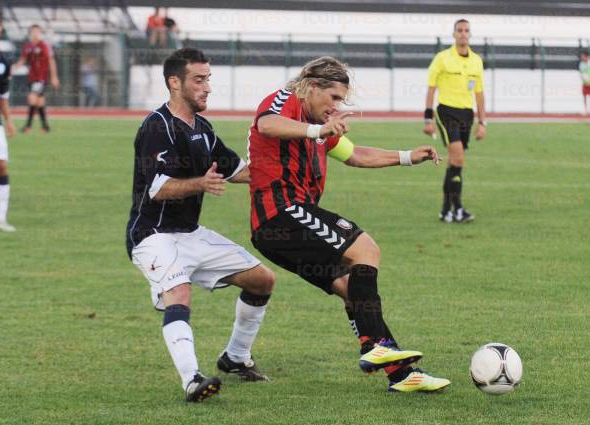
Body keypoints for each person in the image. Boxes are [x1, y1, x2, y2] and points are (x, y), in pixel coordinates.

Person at [248, 56, 450, 393]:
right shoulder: (284, 102)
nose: (337, 107)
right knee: (365, 248)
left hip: (283, 227)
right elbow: (266, 125)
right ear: (312, 87)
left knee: (350, 289)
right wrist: (319, 129)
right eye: (335, 98)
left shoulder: (317, 123)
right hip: (281, 213)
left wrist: (405, 156)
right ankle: (373, 345)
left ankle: (401, 375)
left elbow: (355, 155)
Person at [126, 48, 275, 403]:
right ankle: (192, 380)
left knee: (262, 281)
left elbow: (240, 171)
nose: (207, 87)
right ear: (174, 83)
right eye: (198, 79)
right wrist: (200, 183)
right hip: (153, 235)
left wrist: (287, 168)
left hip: (190, 234)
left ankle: (236, 357)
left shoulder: (203, 129)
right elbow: (158, 189)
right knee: (180, 294)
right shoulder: (156, 127)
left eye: (208, 78)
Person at [423, 19, 486, 223]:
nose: (463, 34)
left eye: (467, 30)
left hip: (467, 114)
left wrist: (483, 122)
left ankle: (445, 210)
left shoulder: (476, 60)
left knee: (453, 162)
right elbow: (431, 88)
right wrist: (428, 118)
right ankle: (458, 209)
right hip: (446, 112)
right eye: (459, 30)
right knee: (458, 157)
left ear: (470, 34)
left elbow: (479, 93)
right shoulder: (442, 58)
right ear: (454, 34)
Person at [12, 24, 59, 133]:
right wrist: (13, 69)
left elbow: (51, 61)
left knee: (32, 98)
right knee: (39, 102)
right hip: (32, 78)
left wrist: (54, 77)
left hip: (41, 78)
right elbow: (23, 60)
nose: (35, 34)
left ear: (40, 33)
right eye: (33, 31)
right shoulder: (28, 46)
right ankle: (45, 127)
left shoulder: (44, 45)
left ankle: (28, 126)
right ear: (30, 33)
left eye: (37, 31)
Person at [0, 14, 16, 232]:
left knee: (0, 164)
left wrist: (8, 121)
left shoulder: (3, 61)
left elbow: (3, 96)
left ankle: (0, 218)